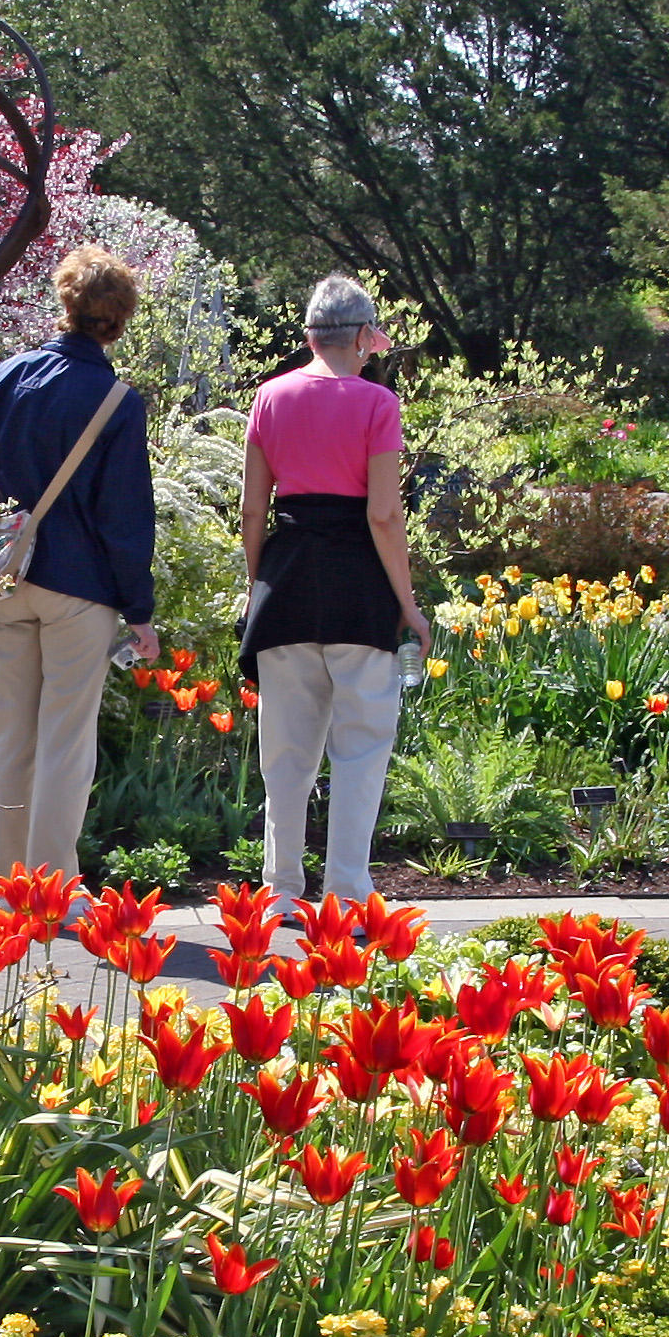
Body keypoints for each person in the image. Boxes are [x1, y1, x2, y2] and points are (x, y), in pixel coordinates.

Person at [236, 275, 436, 902]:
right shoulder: (378, 404)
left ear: (310, 335)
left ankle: (279, 887)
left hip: (287, 578)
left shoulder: (268, 397)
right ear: (362, 338)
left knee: (286, 753)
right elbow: (383, 514)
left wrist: (256, 585)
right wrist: (408, 604)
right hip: (357, 586)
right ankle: (346, 894)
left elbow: (251, 511)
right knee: (361, 748)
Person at [0, 245, 157, 881]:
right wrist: (140, 610)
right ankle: (50, 886)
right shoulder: (117, 402)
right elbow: (125, 516)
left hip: (1, 573)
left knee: (9, 733)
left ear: (66, 301)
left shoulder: (7, 377)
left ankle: (3, 882)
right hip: (79, 585)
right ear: (121, 318)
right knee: (65, 741)